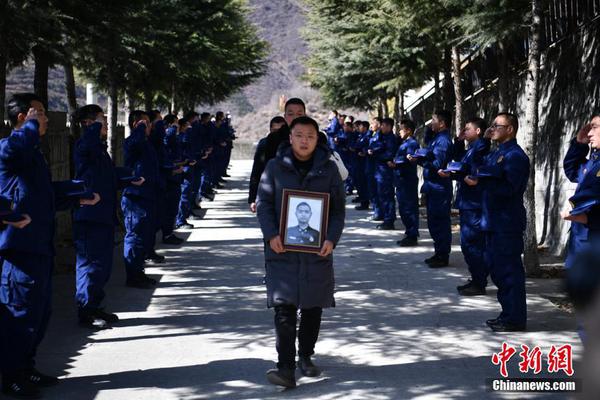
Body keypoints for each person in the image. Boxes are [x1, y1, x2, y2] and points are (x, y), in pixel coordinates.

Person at [0, 93, 100, 398]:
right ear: (23, 117)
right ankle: (11, 376)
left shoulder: (34, 154)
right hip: (19, 252)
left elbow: (43, 195)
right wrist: (30, 125)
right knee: (19, 315)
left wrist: (76, 195)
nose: (45, 119)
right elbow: (12, 151)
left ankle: (26, 367)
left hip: (40, 247)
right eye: (40, 114)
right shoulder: (11, 147)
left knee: (39, 315)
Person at [257, 116, 345, 388]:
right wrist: (271, 234)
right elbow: (264, 204)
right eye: (299, 135)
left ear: (317, 139)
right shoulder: (274, 166)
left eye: (310, 135)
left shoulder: (328, 169)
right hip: (282, 250)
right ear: (290, 138)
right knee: (283, 307)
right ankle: (285, 367)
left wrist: (331, 238)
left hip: (316, 251)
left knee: (312, 306)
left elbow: (338, 210)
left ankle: (305, 355)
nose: (304, 140)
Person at [71, 104, 146, 330]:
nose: (105, 124)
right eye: (101, 120)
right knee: (90, 265)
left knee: (101, 266)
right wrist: (93, 126)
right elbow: (87, 145)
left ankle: (94, 305)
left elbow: (108, 176)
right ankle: (86, 311)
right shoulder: (85, 145)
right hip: (89, 216)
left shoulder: (99, 150)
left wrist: (128, 179)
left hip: (103, 215)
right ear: (89, 124)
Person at [464, 112, 529, 332]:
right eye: (491, 126)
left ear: (510, 129)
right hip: (492, 221)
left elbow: (509, 189)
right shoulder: (496, 153)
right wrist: (482, 141)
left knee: (509, 271)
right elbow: (476, 163)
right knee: (498, 270)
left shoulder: (515, 156)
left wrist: (482, 184)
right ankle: (507, 313)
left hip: (506, 222)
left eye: (497, 126)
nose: (493, 129)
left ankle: (515, 318)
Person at [561, 113, 600, 341]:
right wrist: (578, 144)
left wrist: (586, 220)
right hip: (582, 241)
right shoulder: (594, 162)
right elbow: (572, 170)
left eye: (594, 128)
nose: (590, 132)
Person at [440, 118, 490, 295]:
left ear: (478, 131)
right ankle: (477, 278)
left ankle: (479, 281)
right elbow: (461, 163)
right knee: (468, 244)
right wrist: (458, 142)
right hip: (467, 202)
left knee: (471, 244)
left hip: (474, 203)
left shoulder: (481, 147)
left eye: (467, 129)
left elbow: (473, 169)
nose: (464, 131)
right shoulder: (471, 148)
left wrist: (484, 138)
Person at [409, 110, 454, 267]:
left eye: (433, 120)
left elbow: (437, 164)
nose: (430, 123)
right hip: (433, 187)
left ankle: (443, 255)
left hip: (439, 188)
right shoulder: (436, 138)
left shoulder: (443, 141)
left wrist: (420, 160)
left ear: (442, 123)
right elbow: (429, 149)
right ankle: (438, 252)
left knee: (440, 223)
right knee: (434, 223)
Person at [122, 110, 161, 289]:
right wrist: (139, 128)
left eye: (149, 123)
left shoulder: (146, 143)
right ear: (135, 125)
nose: (148, 126)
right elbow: (133, 142)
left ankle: (138, 271)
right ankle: (133, 275)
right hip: (135, 197)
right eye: (144, 123)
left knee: (143, 236)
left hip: (148, 195)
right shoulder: (132, 142)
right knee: (135, 237)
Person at [390, 119, 420, 246]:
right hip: (401, 179)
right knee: (403, 208)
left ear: (408, 130)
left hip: (407, 180)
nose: (399, 132)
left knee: (409, 208)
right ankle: (409, 232)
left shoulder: (412, 143)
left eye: (401, 129)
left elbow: (409, 159)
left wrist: (396, 163)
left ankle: (412, 234)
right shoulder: (404, 142)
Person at [248, 116, 287, 213]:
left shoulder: (291, 145)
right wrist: (252, 198)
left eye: (280, 130)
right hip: (267, 190)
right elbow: (256, 171)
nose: (277, 134)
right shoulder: (263, 144)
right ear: (270, 130)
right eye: (275, 130)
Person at [369, 117, 397, 230]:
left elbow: (389, 154)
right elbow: (374, 145)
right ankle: (386, 217)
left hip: (386, 172)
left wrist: (376, 154)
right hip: (379, 170)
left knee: (387, 196)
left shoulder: (391, 139)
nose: (381, 127)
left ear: (389, 127)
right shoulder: (381, 136)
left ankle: (389, 220)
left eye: (384, 126)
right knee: (382, 195)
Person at [350, 121, 371, 210]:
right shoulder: (360, 136)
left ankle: (365, 203)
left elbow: (358, 145)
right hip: (358, 162)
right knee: (359, 183)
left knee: (363, 184)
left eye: (360, 126)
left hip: (363, 163)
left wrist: (355, 147)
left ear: (365, 127)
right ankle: (362, 200)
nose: (359, 128)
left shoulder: (367, 136)